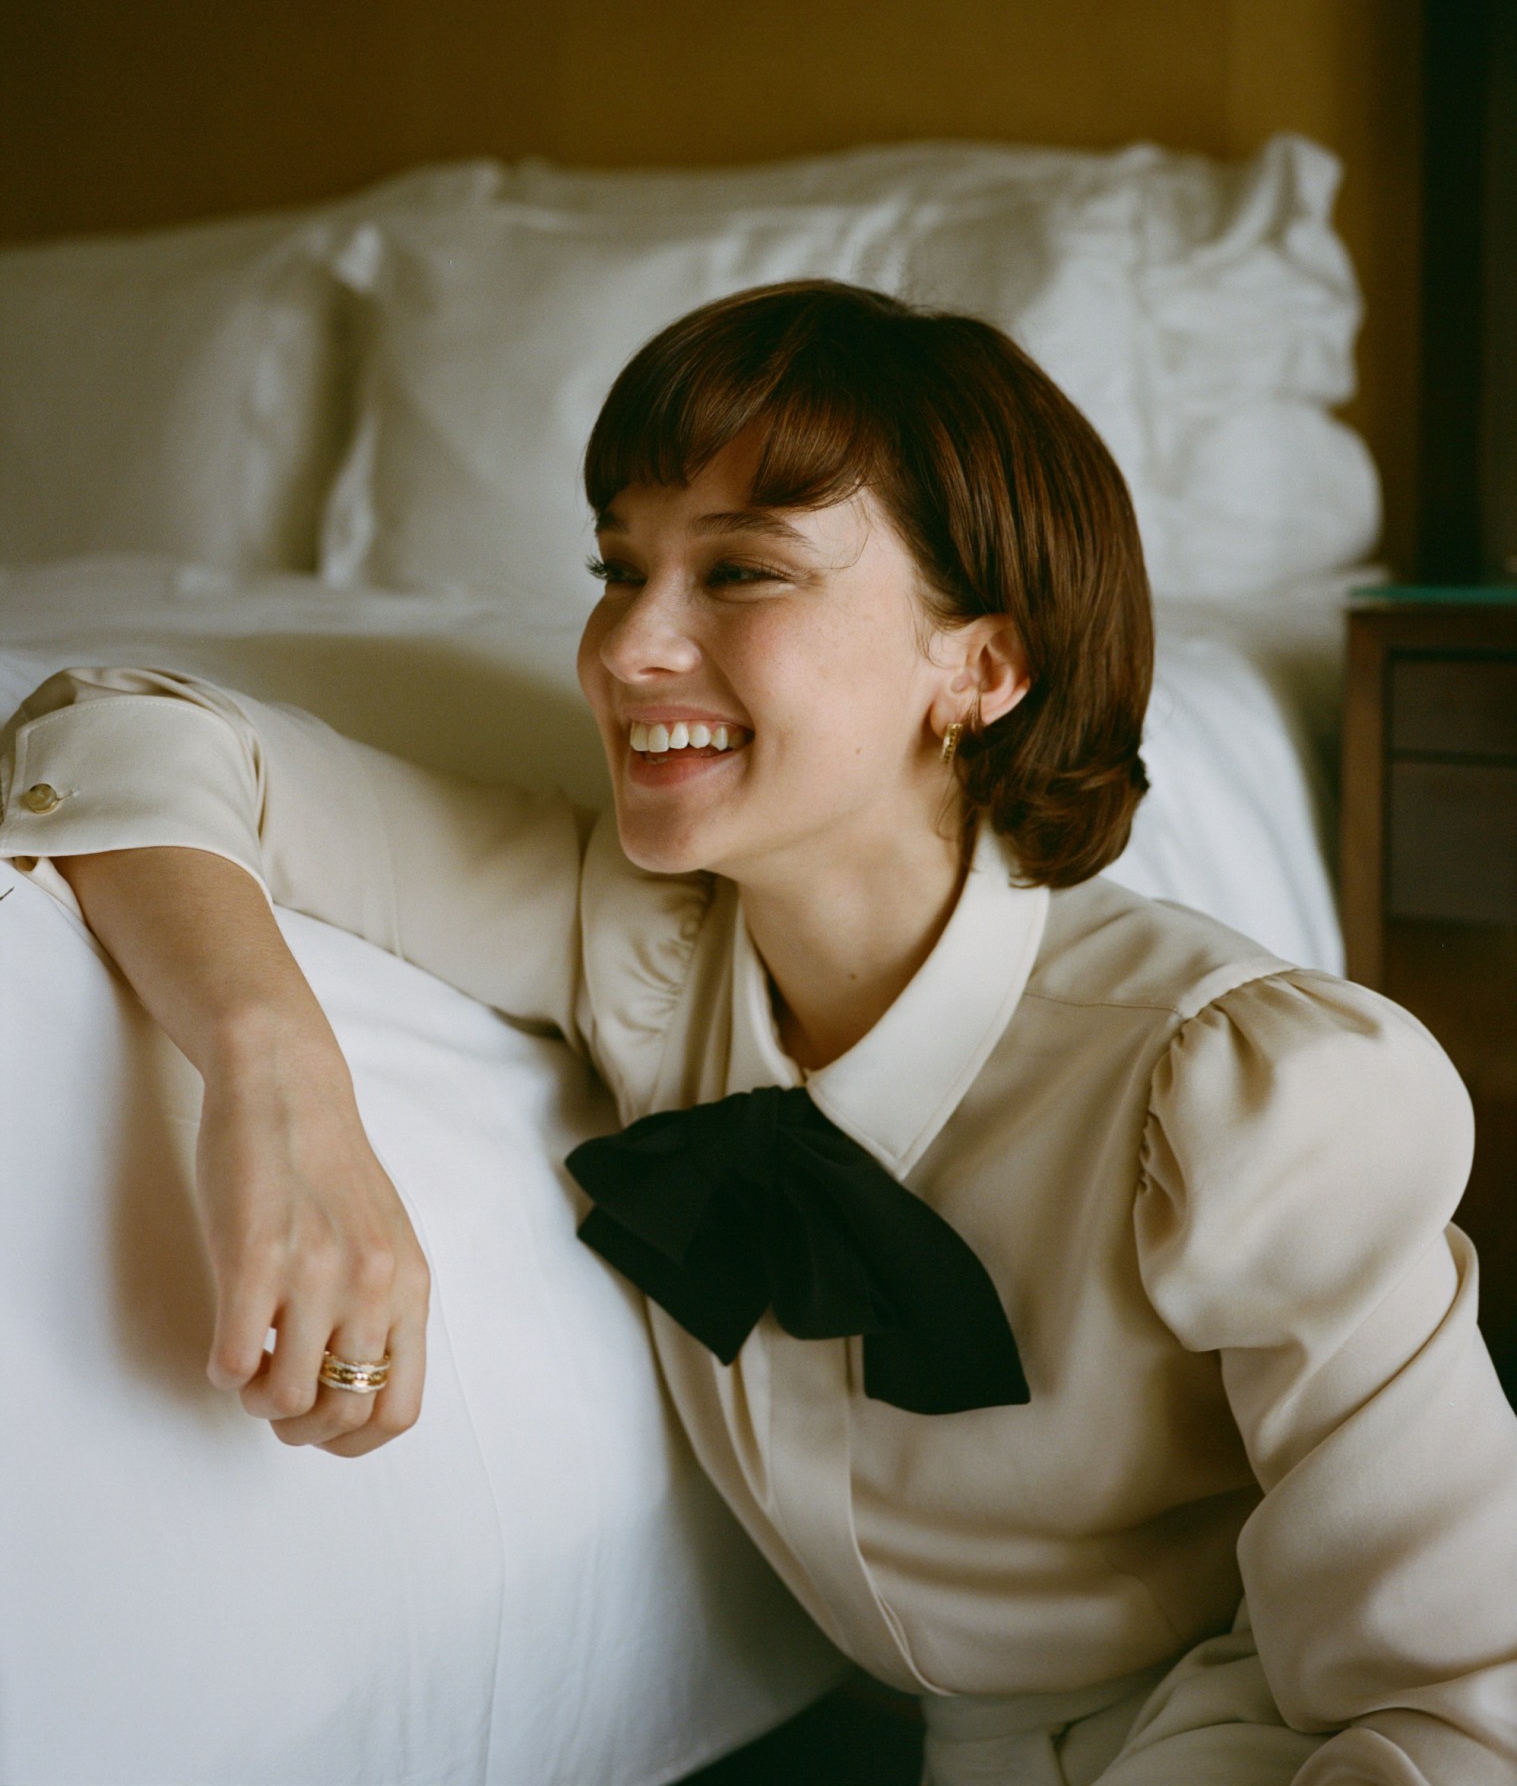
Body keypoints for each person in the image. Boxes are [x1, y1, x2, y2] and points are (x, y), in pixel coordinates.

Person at [2, 281, 1514, 1785]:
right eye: (615, 568)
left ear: (979, 667)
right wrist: (279, 1074)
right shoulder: (638, 936)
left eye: (741, 573)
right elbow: (117, 726)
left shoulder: (1251, 1091)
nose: (622, 649)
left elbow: (1456, 1705)